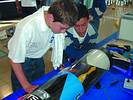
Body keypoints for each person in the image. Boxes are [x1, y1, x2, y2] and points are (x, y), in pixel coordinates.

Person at [8, 0, 78, 93]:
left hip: (38, 59)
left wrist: (62, 68)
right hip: (22, 63)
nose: (63, 32)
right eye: (62, 28)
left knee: (39, 88)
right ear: (50, 17)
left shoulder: (55, 21)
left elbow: (57, 47)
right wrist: (26, 86)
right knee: (21, 92)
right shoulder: (27, 28)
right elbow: (14, 59)